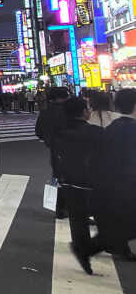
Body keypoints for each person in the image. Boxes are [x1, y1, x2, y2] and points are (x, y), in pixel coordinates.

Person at [52, 96, 103, 274]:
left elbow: (54, 157)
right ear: (84, 112)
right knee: (106, 216)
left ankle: (82, 249)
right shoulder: (95, 132)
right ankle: (91, 248)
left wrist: (59, 175)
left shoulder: (59, 132)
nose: (90, 110)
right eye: (88, 107)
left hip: (68, 180)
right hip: (91, 181)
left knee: (77, 217)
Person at [89, 88, 136, 265]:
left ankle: (114, 246)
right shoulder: (129, 129)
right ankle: (93, 246)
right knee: (128, 220)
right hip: (125, 183)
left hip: (109, 182)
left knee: (122, 219)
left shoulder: (115, 126)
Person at [35, 86, 70, 218]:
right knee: (73, 179)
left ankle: (60, 208)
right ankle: (72, 208)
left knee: (58, 177)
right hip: (71, 147)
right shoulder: (67, 111)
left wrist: (49, 139)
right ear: (59, 98)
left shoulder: (45, 112)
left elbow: (38, 132)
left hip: (54, 148)